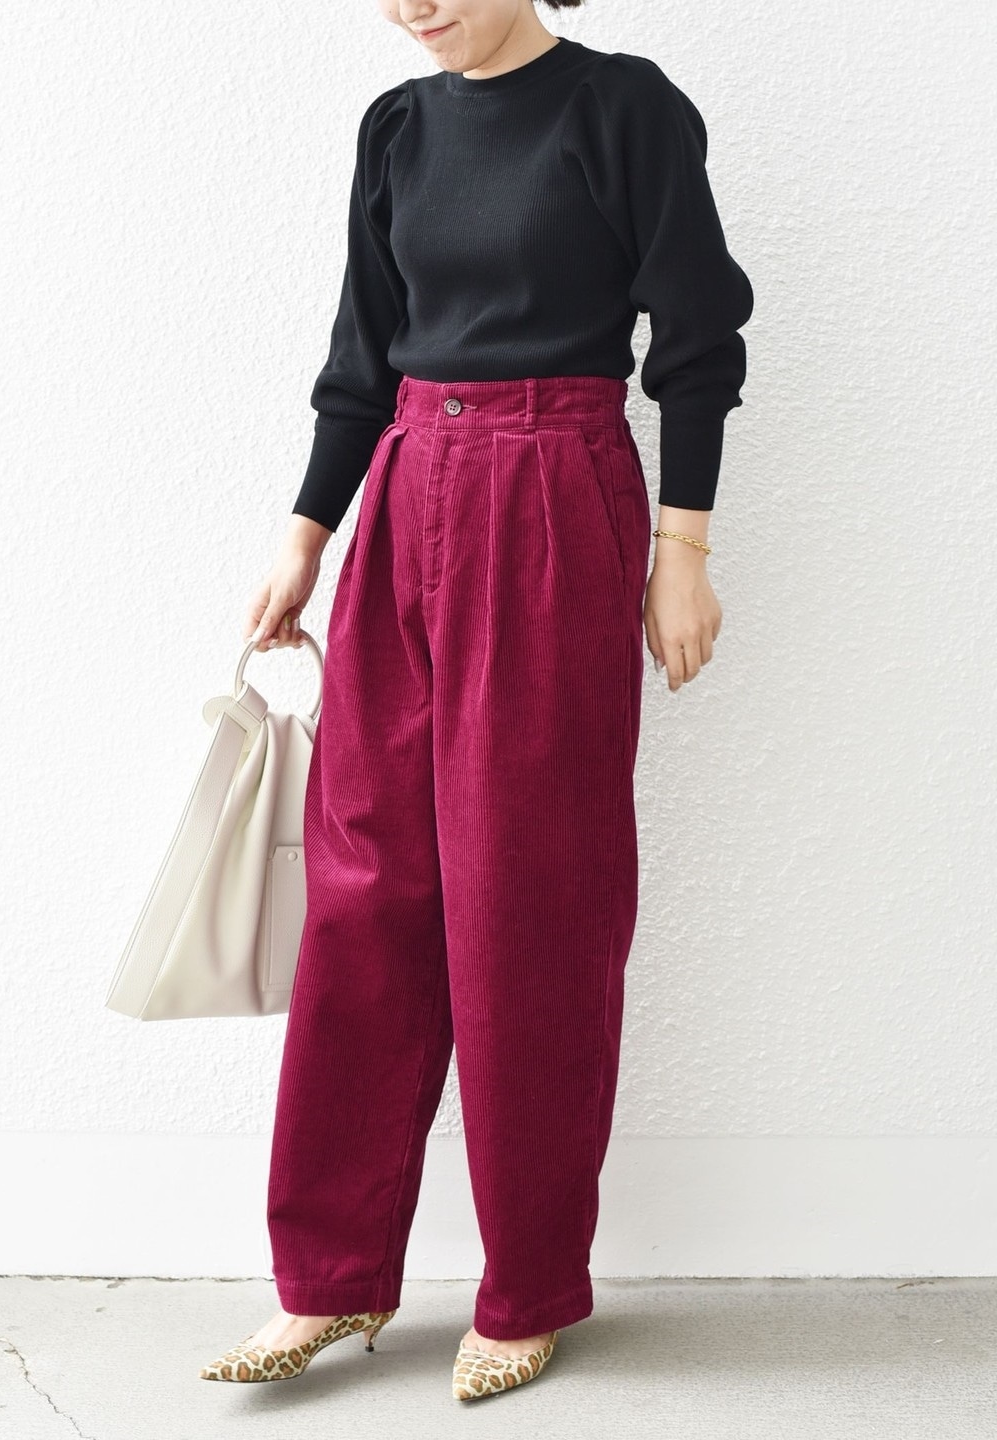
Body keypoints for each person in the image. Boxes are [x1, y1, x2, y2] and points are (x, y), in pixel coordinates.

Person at [200, 0, 753, 1403]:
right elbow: (363, 347)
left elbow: (697, 334)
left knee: (526, 893)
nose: (411, 4)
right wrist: (306, 536)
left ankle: (529, 1286)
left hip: (554, 488)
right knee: (364, 888)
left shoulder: (621, 109)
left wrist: (683, 553)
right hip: (406, 490)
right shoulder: (396, 128)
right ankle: (329, 1277)